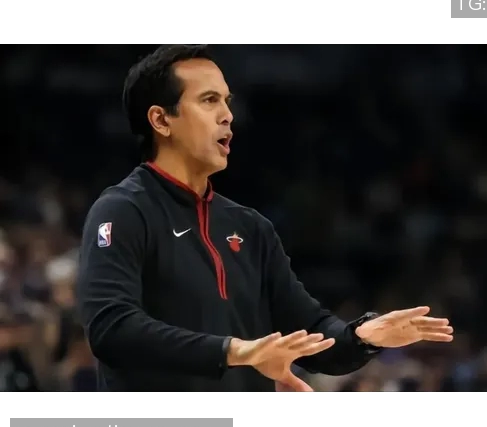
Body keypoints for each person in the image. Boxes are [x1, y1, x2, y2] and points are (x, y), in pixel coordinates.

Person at [75, 45, 454, 392]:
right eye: (209, 100)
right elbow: (112, 329)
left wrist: (362, 336)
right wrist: (234, 350)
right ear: (161, 120)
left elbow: (311, 334)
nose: (228, 115)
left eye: (226, 101)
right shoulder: (123, 210)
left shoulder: (250, 227)